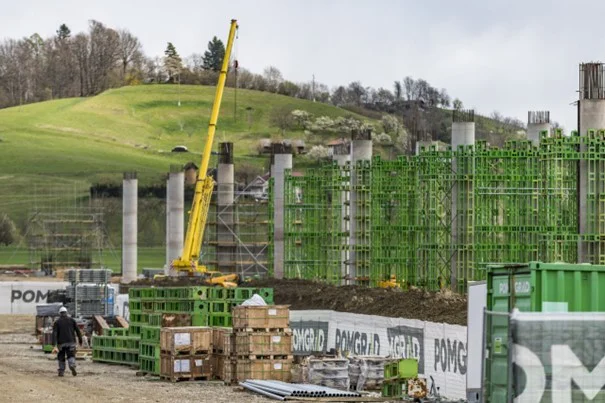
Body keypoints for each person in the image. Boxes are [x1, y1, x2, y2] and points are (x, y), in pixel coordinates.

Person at [51, 306, 83, 377]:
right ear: (66, 312)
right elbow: (78, 331)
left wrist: (54, 344)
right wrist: (80, 340)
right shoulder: (72, 320)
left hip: (61, 344)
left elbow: (55, 333)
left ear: (60, 313)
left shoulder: (57, 322)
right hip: (71, 342)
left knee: (61, 356)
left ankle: (61, 371)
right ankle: (72, 365)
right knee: (71, 355)